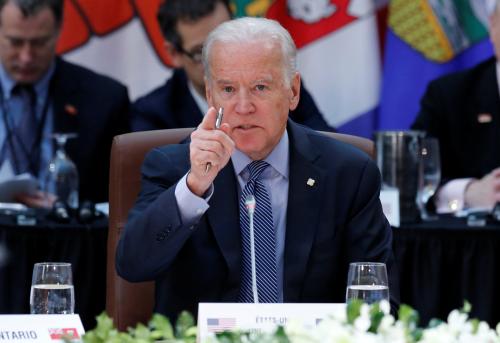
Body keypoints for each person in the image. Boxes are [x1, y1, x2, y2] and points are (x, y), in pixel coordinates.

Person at [116, 17, 398, 321]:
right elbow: (133, 265)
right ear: (210, 96)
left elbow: (379, 300)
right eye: (227, 89)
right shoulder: (174, 167)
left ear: (292, 91)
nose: (243, 106)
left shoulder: (348, 173)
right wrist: (195, 186)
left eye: (260, 87)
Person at [130, 0, 335, 132]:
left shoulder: (276, 82)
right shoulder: (153, 115)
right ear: (174, 54)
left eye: (225, 41)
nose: (220, 60)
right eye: (200, 52)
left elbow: (326, 147)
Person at [0, 0, 130, 207]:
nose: (26, 57)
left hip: (69, 232)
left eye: (39, 43)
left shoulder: (104, 98)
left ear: (59, 31)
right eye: (15, 42)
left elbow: (119, 198)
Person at [411, 3, 500, 213]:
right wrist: (467, 192)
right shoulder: (450, 95)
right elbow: (413, 168)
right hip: (474, 241)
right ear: (493, 26)